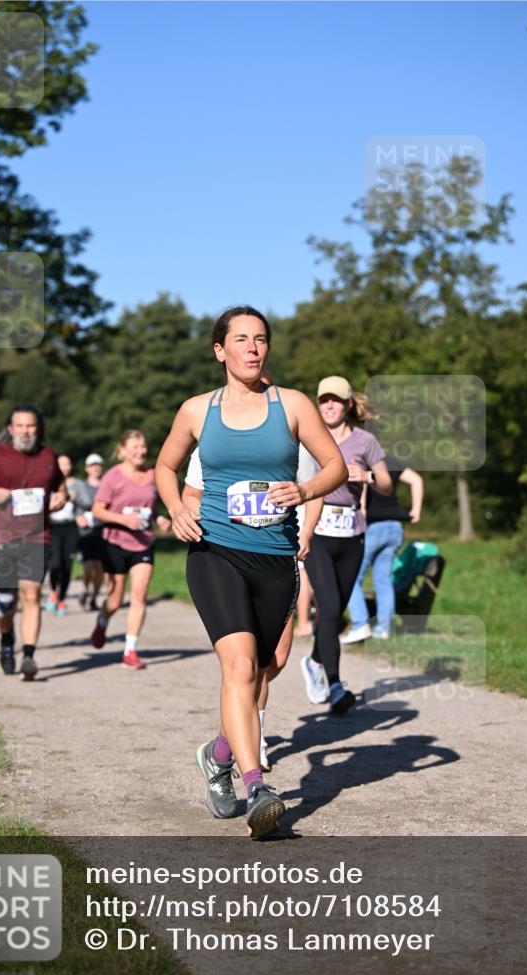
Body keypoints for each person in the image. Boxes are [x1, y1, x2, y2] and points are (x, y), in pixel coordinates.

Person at [156, 305, 347, 838]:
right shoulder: (197, 411)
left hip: (275, 556)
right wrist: (176, 508)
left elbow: (336, 465)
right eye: (240, 339)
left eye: (260, 339)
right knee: (239, 667)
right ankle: (257, 784)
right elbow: (165, 466)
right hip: (214, 549)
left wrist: (305, 490)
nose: (252, 347)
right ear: (220, 350)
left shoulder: (293, 405)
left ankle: (217, 754)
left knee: (266, 668)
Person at [182, 440, 322, 772]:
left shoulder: (291, 445)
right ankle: (252, 748)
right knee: (242, 667)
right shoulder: (214, 443)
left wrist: (307, 535)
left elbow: (317, 490)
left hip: (279, 555)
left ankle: (226, 740)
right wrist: (189, 514)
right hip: (224, 556)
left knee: (272, 661)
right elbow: (191, 493)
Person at [300, 376, 393, 713]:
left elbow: (385, 484)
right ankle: (336, 685)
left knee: (333, 611)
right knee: (328, 601)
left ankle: (313, 661)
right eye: (323, 399)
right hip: (318, 530)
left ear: (348, 405)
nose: (329, 405)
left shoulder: (365, 442)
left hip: (352, 533)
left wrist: (365, 476)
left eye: (336, 400)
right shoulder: (308, 439)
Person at [0, 405, 66, 679]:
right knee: (6, 600)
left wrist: (62, 496)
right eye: (20, 426)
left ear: (38, 428)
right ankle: (7, 639)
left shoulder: (47, 456)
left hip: (38, 536)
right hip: (3, 536)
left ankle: (30, 656)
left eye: (31, 426)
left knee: (31, 595)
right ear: (10, 429)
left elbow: (59, 483)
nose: (25, 431)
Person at [89, 431, 171, 668]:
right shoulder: (112, 477)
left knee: (139, 595)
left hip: (143, 543)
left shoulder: (152, 475)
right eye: (134, 447)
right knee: (114, 601)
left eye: (143, 447)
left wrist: (161, 519)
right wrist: (125, 521)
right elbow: (98, 510)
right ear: (123, 450)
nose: (140, 451)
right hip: (115, 543)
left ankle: (130, 651)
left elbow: (152, 509)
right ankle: (102, 620)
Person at [343, 462, 424, 642]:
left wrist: (361, 512)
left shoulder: (362, 459)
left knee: (351, 578)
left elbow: (362, 486)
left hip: (373, 526)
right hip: (395, 527)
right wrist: (416, 510)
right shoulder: (389, 462)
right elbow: (416, 480)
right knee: (383, 580)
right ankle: (384, 629)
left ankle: (360, 624)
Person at [45, 454, 79, 615]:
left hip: (71, 527)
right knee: (56, 563)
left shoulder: (77, 484)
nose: (64, 467)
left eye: (67, 464)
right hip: (53, 527)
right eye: (61, 464)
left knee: (67, 566)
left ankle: (62, 600)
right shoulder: (48, 483)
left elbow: (90, 503)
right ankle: (53, 591)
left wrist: (76, 500)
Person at [72, 454, 106, 611]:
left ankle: (94, 597)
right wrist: (77, 516)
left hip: (102, 530)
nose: (95, 468)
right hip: (85, 531)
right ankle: (86, 589)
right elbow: (70, 505)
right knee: (89, 565)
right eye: (92, 465)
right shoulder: (79, 486)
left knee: (99, 567)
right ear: (87, 469)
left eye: (98, 465)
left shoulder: (106, 486)